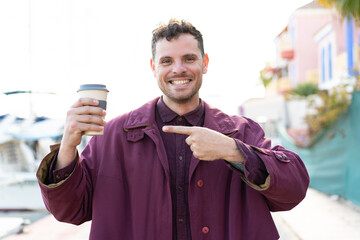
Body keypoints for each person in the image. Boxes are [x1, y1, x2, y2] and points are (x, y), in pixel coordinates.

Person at [37, 19, 309, 240]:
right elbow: (71, 210)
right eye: (167, 61)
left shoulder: (241, 131)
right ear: (154, 67)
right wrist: (68, 146)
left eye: (189, 58)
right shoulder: (112, 136)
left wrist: (233, 150)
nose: (178, 69)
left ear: (205, 63)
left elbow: (294, 188)